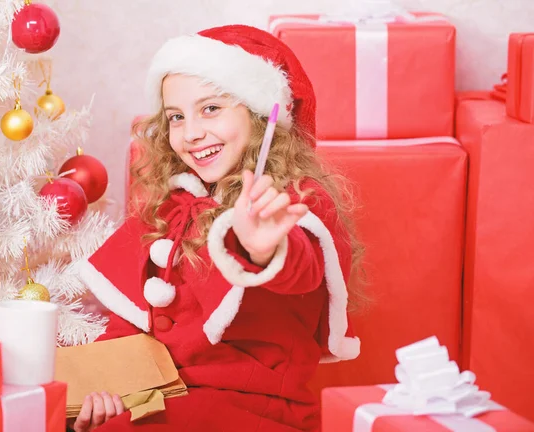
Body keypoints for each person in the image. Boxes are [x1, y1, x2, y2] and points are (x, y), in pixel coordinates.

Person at [73, 24, 362, 432]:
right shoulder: (172, 202)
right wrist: (105, 387)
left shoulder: (296, 198)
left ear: (260, 113)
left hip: (259, 409)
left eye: (211, 109)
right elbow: (130, 315)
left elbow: (302, 267)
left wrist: (262, 249)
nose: (190, 133)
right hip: (165, 397)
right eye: (176, 117)